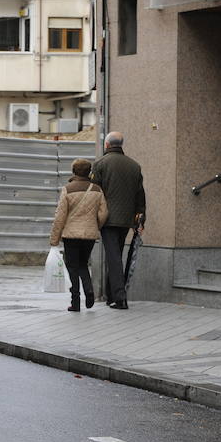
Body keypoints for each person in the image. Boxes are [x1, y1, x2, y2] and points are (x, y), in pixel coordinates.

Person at [90, 132, 146, 310]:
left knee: (113, 257)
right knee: (115, 255)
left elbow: (94, 194)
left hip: (108, 219)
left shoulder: (100, 164)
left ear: (107, 145)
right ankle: (111, 295)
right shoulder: (134, 166)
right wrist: (140, 218)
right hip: (126, 219)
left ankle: (120, 298)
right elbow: (140, 195)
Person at [50, 159, 109, 312]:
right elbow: (104, 213)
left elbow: (60, 217)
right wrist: (95, 226)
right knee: (83, 264)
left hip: (70, 235)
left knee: (72, 266)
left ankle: (75, 302)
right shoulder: (97, 189)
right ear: (89, 172)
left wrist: (54, 239)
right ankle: (89, 290)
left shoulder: (68, 189)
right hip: (89, 235)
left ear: (74, 172)